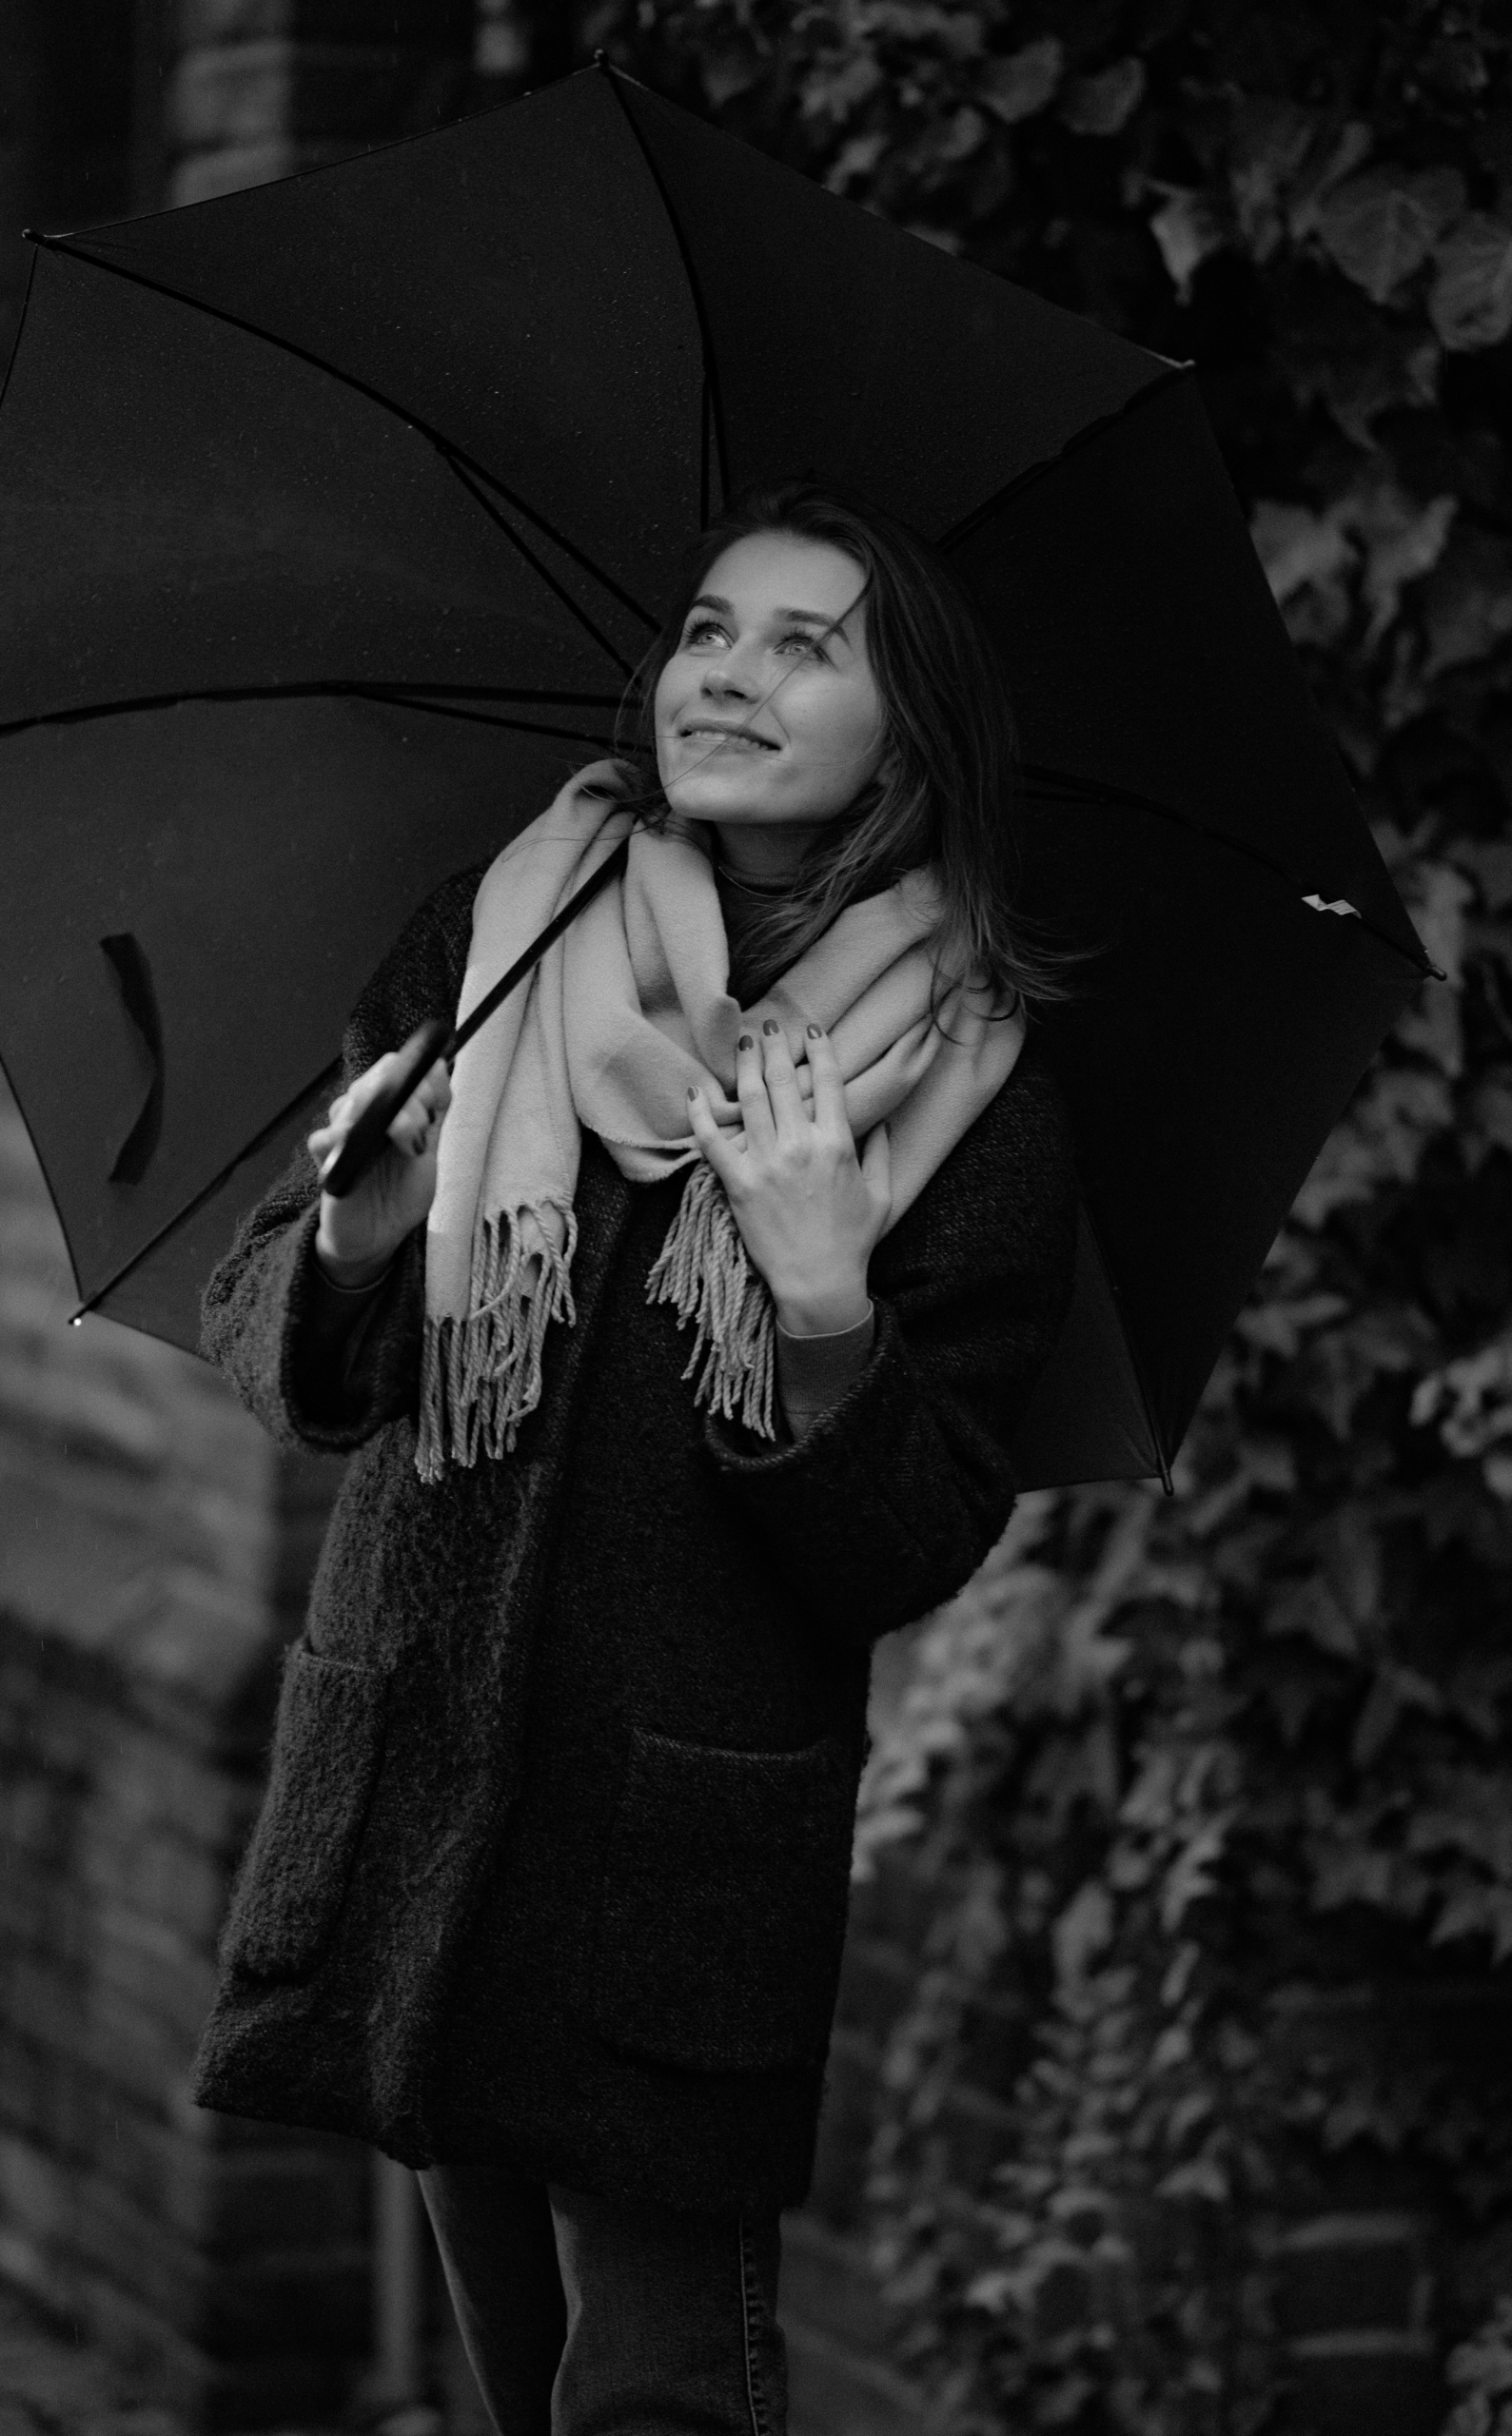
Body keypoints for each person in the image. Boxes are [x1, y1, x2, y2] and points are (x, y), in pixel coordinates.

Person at [191, 481, 1078, 2436]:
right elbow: (290, 1357)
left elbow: (914, 1541)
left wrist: (831, 1289)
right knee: (525, 2392)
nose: (730, 675)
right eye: (706, 629)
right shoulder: (502, 932)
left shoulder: (971, 1071)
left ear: (910, 728)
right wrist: (353, 1233)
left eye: (804, 644)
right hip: (417, 1787)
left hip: (668, 1865)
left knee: (657, 2398)